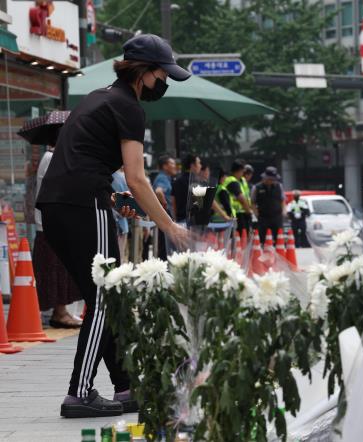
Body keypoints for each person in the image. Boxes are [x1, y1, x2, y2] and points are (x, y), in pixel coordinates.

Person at [36, 34, 191, 418]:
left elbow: (91, 163)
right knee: (108, 298)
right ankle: (81, 392)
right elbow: (137, 178)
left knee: (103, 298)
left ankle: (124, 386)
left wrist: (121, 204)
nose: (164, 83)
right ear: (144, 72)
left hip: (58, 206)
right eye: (163, 74)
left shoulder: (97, 96)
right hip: (83, 204)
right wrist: (169, 226)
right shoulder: (129, 107)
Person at [33, 147, 83, 329]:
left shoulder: (56, 156)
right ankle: (59, 313)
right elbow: (60, 185)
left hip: (57, 223)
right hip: (51, 224)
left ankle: (61, 312)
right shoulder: (51, 157)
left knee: (61, 271)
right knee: (54, 271)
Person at [251, 166, 285, 244]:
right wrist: (256, 213)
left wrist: (283, 211)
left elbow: (282, 200)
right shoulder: (256, 188)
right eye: (271, 179)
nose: (272, 181)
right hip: (263, 217)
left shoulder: (279, 186)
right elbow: (253, 202)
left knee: (279, 238)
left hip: (277, 216)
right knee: (263, 238)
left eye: (274, 179)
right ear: (266, 178)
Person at [152, 155, 177, 259]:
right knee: (165, 247)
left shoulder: (165, 178)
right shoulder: (162, 178)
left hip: (164, 216)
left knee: (165, 246)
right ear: (165, 166)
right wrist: (165, 206)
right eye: (172, 163)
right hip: (165, 216)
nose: (175, 166)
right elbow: (158, 192)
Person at [172, 153, 202, 224]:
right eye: (198, 163)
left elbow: (173, 203)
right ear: (192, 165)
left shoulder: (176, 182)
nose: (200, 166)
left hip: (180, 222)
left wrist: (176, 219)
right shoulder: (197, 182)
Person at [224, 160, 253, 233]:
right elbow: (242, 199)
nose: (243, 173)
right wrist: (249, 211)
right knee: (239, 239)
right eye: (243, 171)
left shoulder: (240, 180)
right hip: (237, 214)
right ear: (239, 170)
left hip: (242, 212)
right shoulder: (232, 181)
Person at [111, 168, 130, 262]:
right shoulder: (122, 177)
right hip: (122, 224)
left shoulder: (101, 173)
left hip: (116, 224)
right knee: (119, 260)